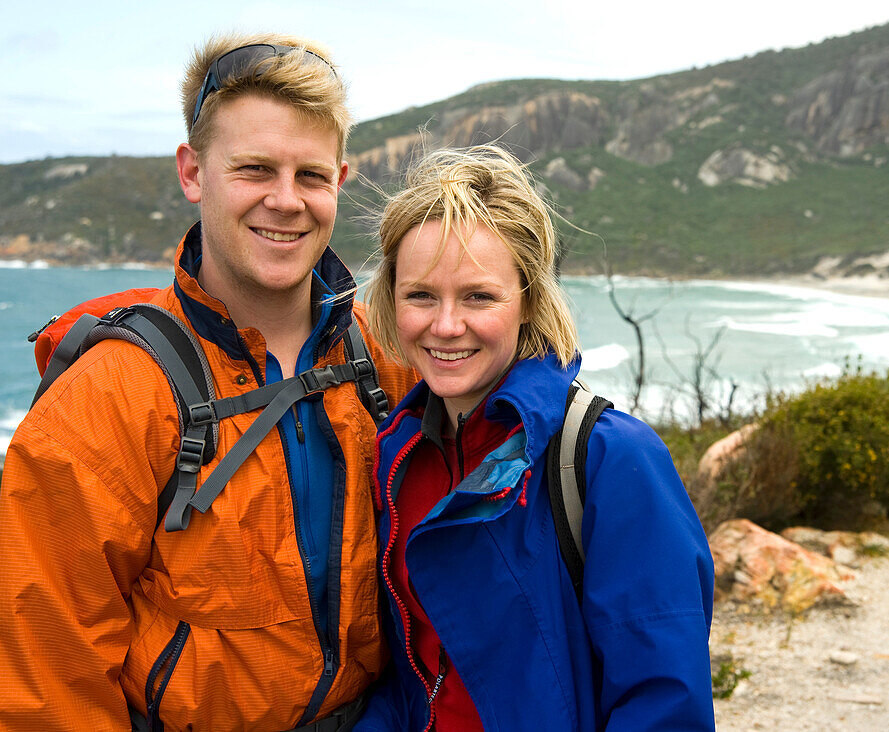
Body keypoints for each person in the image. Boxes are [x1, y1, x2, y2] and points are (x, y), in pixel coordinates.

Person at [0, 33, 418, 731]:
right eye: (254, 169)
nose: (286, 201)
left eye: (311, 176)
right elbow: (49, 681)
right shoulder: (108, 397)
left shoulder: (389, 359)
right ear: (193, 173)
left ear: (339, 183)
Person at [354, 145, 716, 731]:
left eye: (479, 296)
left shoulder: (609, 458)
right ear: (390, 301)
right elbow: (412, 676)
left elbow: (664, 701)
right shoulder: (398, 458)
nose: (446, 325)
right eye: (420, 295)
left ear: (528, 301)